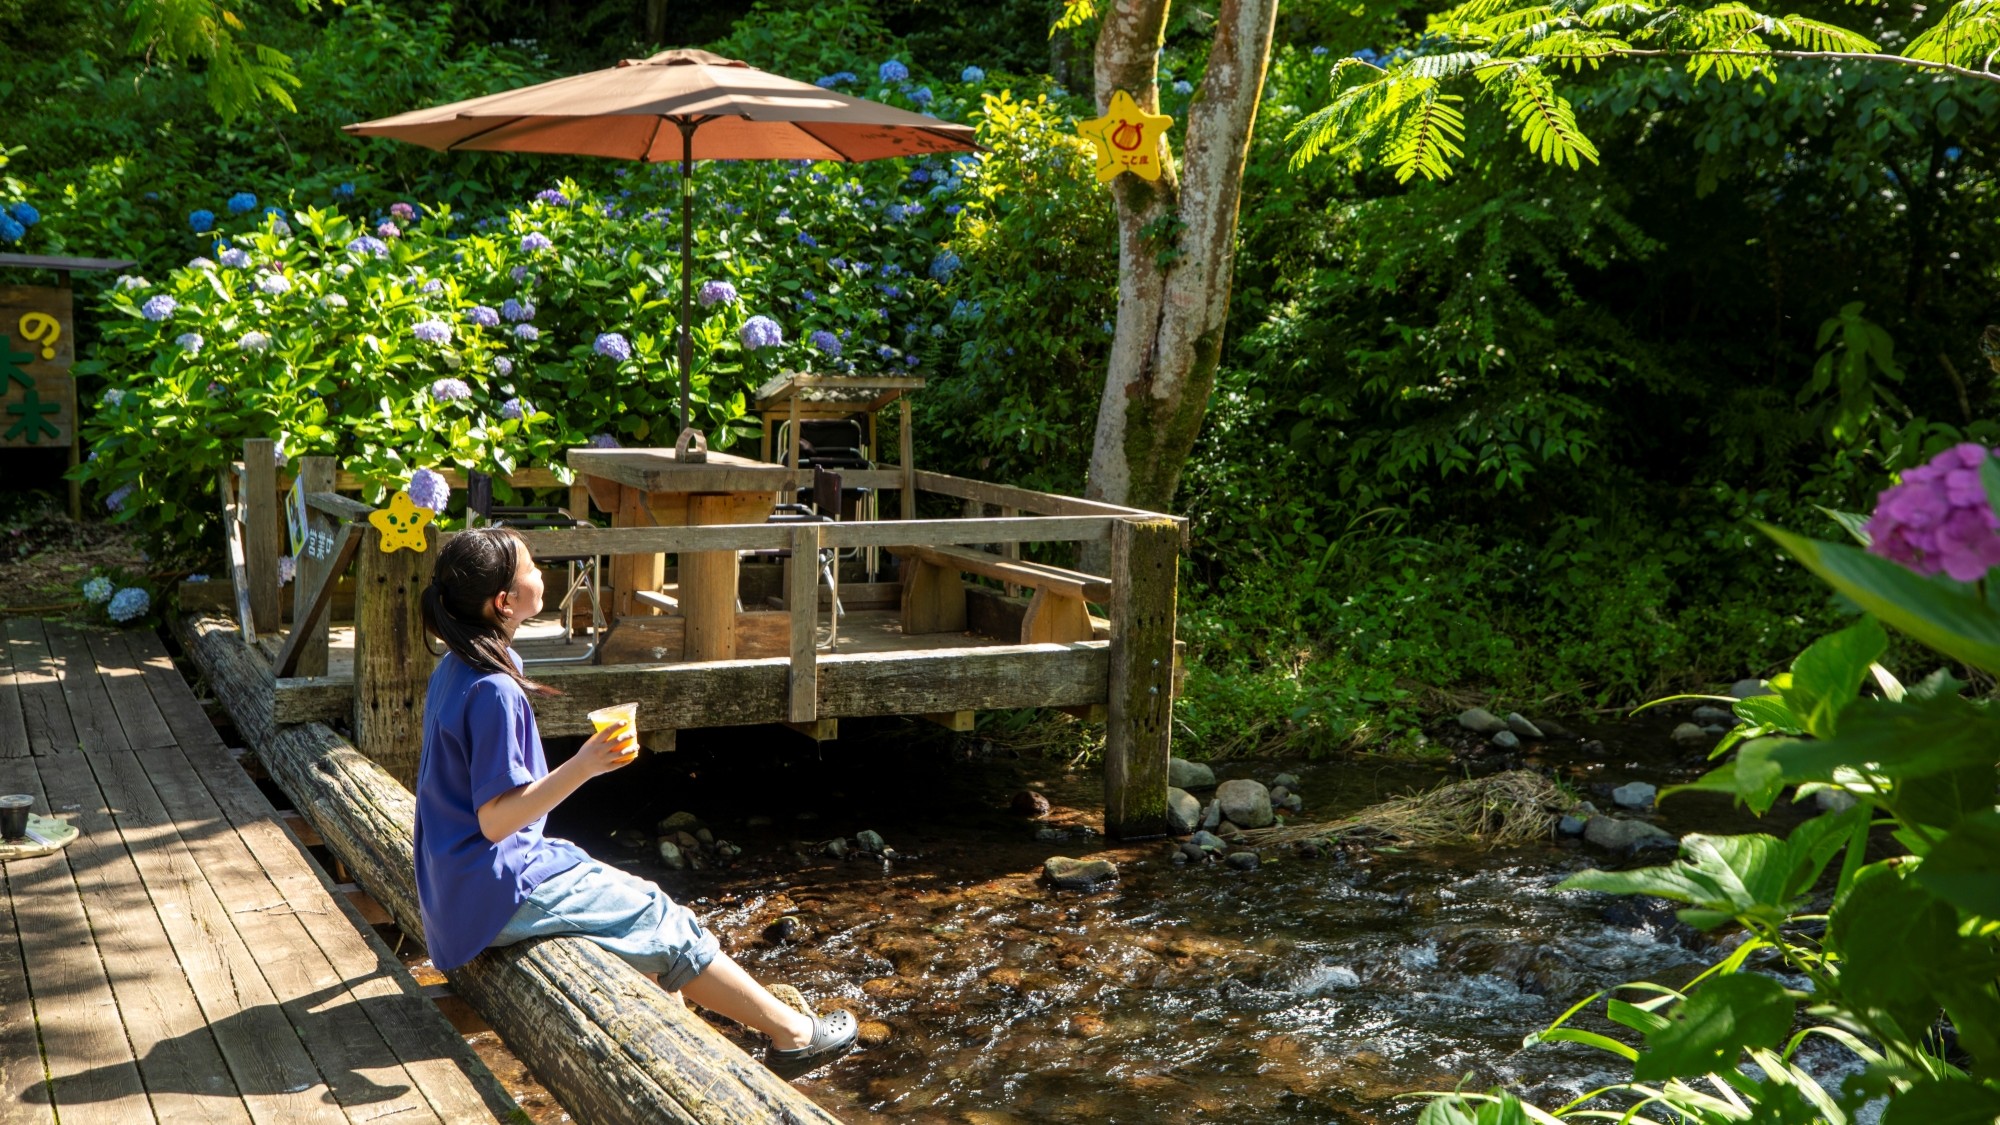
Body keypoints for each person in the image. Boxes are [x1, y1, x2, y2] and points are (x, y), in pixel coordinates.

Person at [413, 527, 856, 1079]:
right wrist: (585, 764)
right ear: (504, 601)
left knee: (639, 906)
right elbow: (497, 821)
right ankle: (794, 1035)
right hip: (492, 890)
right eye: (530, 567)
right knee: (663, 919)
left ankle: (690, 1050)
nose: (541, 574)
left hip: (451, 887)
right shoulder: (494, 689)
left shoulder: (458, 665)